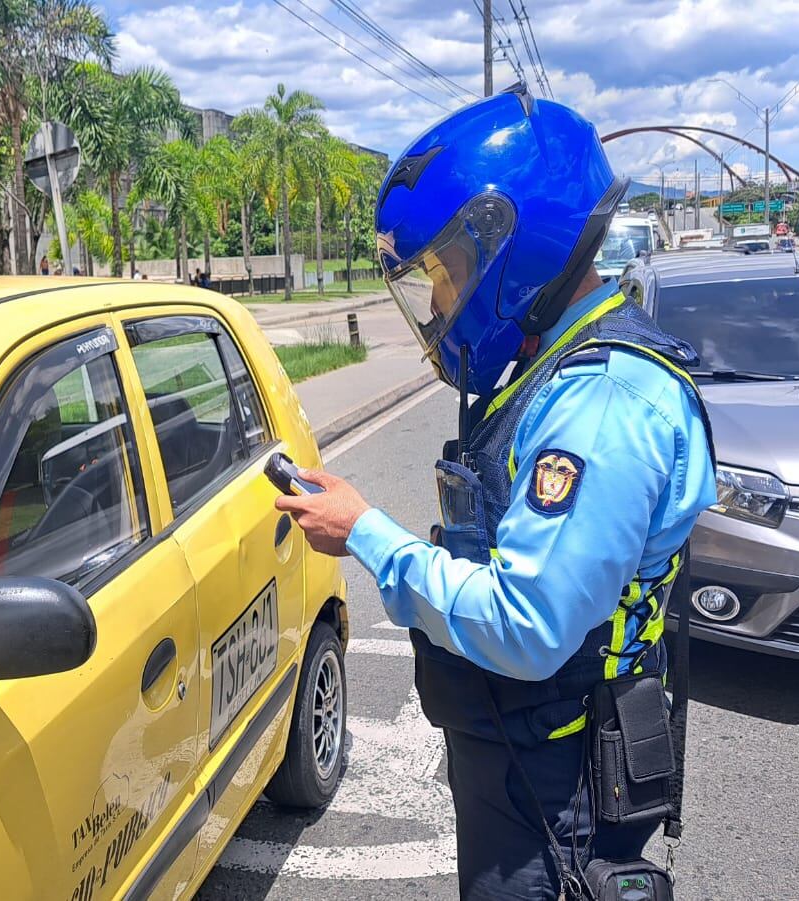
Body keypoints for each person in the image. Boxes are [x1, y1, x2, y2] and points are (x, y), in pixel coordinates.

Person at [276, 88, 716, 899]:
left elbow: (528, 625)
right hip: (526, 754)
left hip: (561, 782)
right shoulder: (553, 367)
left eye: (447, 273)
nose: (441, 302)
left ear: (515, 242)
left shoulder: (601, 402)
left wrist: (366, 530)